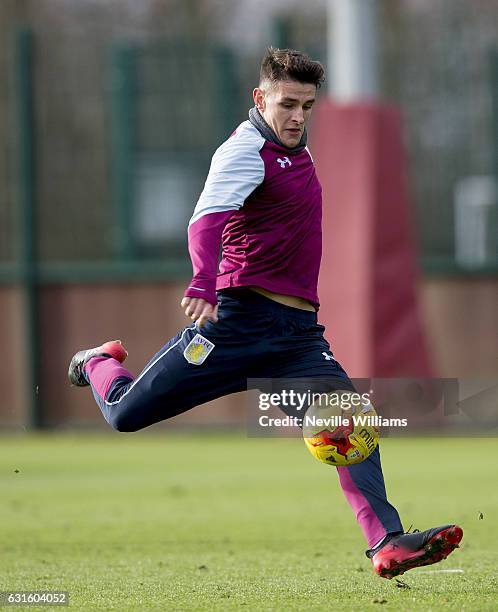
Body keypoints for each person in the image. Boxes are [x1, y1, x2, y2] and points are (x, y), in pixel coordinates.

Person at [68, 47, 462, 579]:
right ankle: (98, 362)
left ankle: (387, 541)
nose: (298, 117)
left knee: (347, 425)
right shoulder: (243, 151)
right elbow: (205, 221)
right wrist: (204, 283)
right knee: (125, 416)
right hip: (233, 325)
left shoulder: (296, 151)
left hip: (296, 339)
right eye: (287, 104)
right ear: (260, 98)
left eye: (307, 106)